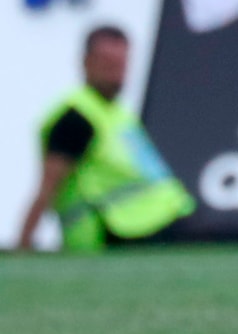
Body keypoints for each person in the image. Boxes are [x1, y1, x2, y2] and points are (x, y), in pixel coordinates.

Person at [15, 26, 195, 251]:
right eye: (108, 64)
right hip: (118, 230)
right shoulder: (76, 118)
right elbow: (48, 187)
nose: (116, 74)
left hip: (155, 220)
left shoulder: (118, 114)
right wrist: (24, 242)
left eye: (121, 65)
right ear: (86, 62)